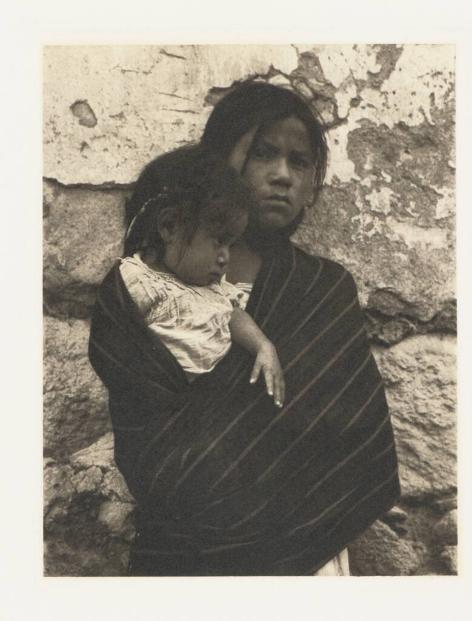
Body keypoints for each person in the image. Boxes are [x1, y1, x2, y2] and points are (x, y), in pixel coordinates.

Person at [89, 80, 400, 576]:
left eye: (299, 163)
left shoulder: (322, 291)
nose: (282, 176)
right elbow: (143, 415)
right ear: (218, 162)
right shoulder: (146, 284)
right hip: (178, 552)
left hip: (300, 552)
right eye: (263, 154)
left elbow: (345, 436)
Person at [119, 144, 284, 406]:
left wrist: (263, 346)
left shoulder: (211, 288)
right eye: (219, 241)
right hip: (169, 409)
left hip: (217, 407)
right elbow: (121, 343)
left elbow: (232, 314)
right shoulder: (138, 281)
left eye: (231, 245)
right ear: (169, 226)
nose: (225, 256)